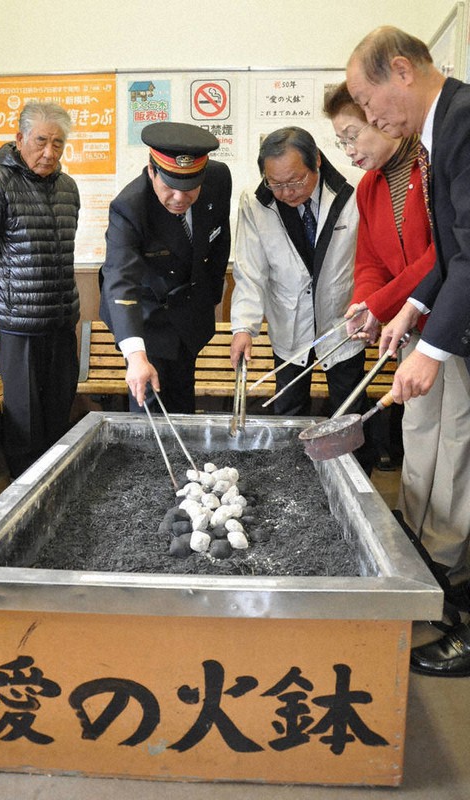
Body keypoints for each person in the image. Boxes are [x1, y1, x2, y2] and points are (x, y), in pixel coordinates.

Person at [347, 26, 470, 677]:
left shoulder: (462, 122)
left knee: (456, 457)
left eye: (369, 105)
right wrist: (413, 312)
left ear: (401, 70)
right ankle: (444, 595)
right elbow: (452, 256)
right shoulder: (441, 127)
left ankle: (457, 609)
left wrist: (434, 347)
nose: (371, 117)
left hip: (460, 332)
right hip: (444, 317)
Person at [324, 82, 470, 580]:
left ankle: (445, 561)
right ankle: (413, 541)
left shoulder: (428, 168)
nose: (349, 151)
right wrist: (366, 302)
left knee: (455, 438)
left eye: (353, 134)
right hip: (408, 330)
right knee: (418, 431)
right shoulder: (369, 187)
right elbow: (369, 261)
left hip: (451, 325)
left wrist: (385, 304)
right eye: (341, 142)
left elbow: (443, 256)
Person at [229, 127, 371, 463]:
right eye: (275, 184)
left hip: (343, 323)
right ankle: (291, 476)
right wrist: (243, 328)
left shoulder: (355, 189)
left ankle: (353, 483)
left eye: (295, 181)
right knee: (289, 409)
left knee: (348, 412)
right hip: (289, 323)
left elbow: (372, 258)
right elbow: (250, 271)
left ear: (317, 162)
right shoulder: (255, 200)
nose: (286, 192)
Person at [0, 101, 80, 479]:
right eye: (41, 140)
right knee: (24, 417)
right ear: (19, 138)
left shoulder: (68, 188)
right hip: (16, 324)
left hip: (60, 321)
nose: (49, 152)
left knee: (60, 409)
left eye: (58, 143)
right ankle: (24, 491)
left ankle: (55, 482)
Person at [99, 121, 231, 413]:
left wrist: (208, 298)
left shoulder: (219, 179)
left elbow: (219, 239)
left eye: (190, 186)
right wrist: (135, 356)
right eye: (170, 186)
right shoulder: (130, 207)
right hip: (145, 319)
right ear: (151, 171)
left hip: (188, 319)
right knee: (150, 416)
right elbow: (120, 280)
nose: (180, 198)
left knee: (183, 409)